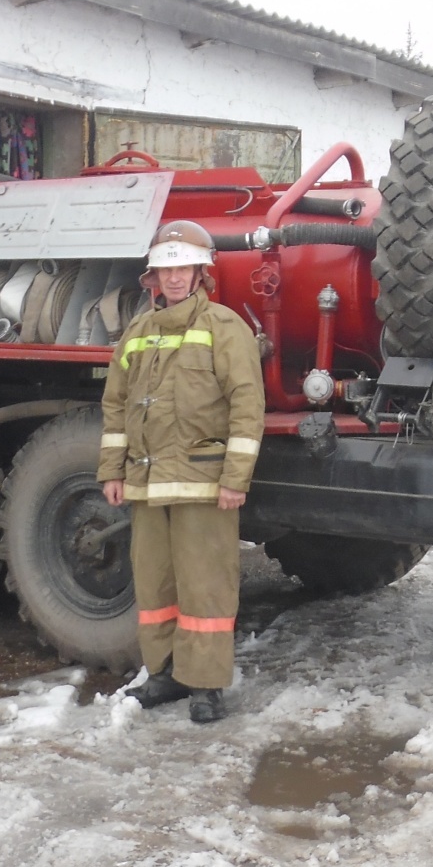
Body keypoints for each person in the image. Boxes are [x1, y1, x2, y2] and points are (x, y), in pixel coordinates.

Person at [98, 220, 264, 723]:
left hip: (203, 484)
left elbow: (247, 405)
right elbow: (116, 405)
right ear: (154, 278)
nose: (173, 278)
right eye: (165, 269)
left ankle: (206, 686)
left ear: (200, 273)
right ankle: (165, 673)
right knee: (156, 587)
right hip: (147, 485)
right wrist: (113, 470)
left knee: (205, 587)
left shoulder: (224, 327)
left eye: (182, 268)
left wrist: (235, 478)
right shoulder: (137, 333)